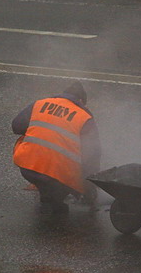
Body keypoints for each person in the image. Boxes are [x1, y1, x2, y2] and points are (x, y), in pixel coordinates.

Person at [12, 81, 101, 215]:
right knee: (74, 166)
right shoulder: (84, 117)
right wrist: (89, 189)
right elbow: (92, 155)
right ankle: (54, 199)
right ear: (81, 100)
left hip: (28, 167)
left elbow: (16, 126)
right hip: (60, 176)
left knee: (26, 138)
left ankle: (45, 192)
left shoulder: (40, 104)